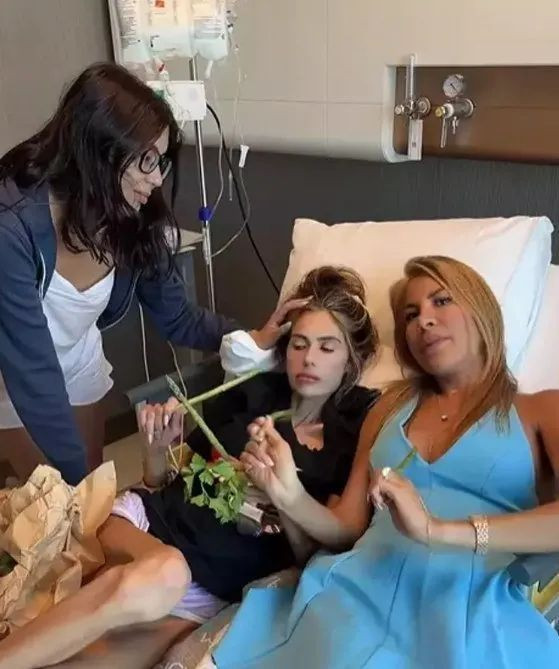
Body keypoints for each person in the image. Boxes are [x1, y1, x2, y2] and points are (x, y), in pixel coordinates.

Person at [0, 265, 380, 669]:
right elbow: (163, 481)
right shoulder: (251, 392)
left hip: (210, 588)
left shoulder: (346, 441)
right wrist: (156, 450)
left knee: (94, 658)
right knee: (166, 572)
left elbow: (312, 554)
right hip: (148, 527)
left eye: (327, 348)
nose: (309, 359)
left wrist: (282, 493)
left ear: (351, 361)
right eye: (299, 344)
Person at [214, 255, 559, 669]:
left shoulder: (542, 410)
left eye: (441, 301)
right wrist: (288, 493)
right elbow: (346, 527)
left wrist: (438, 530)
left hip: (468, 609)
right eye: (410, 315)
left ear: (480, 308)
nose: (423, 321)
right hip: (357, 591)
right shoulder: (389, 407)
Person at [0, 62, 285, 487]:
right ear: (97, 149)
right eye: (146, 160)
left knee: (89, 485)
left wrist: (252, 339)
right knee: (58, 496)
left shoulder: (132, 218)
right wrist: (88, 496)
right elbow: (33, 373)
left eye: (161, 162)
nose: (155, 180)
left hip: (77, 360)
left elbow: (179, 318)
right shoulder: (12, 229)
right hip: (13, 374)